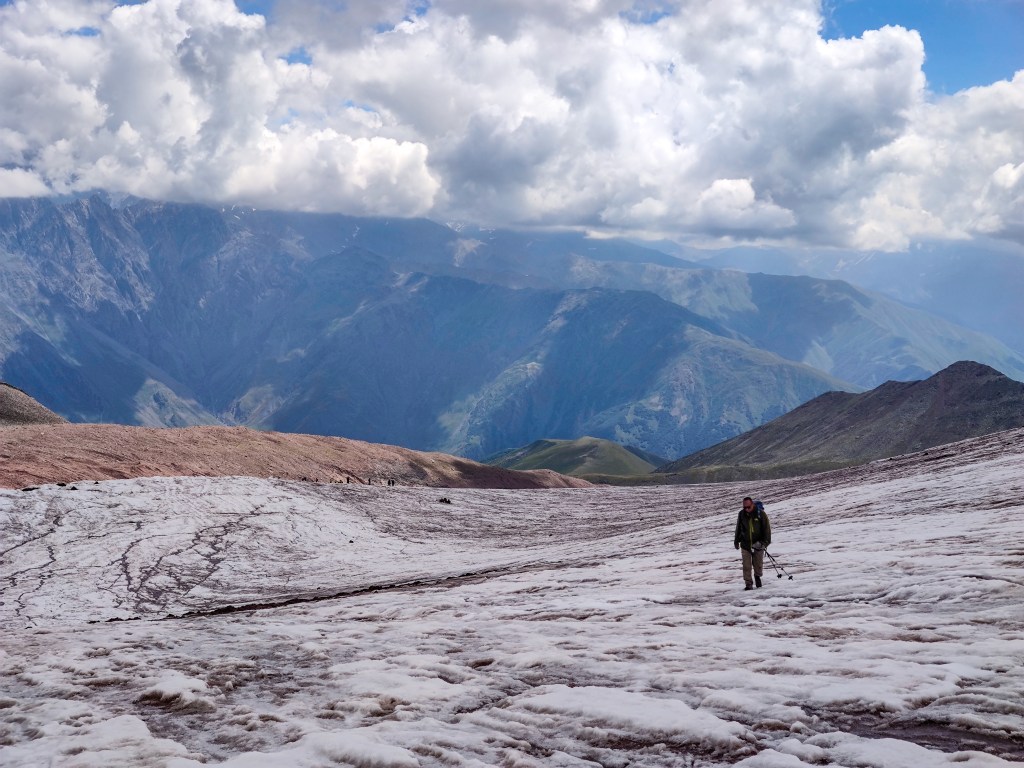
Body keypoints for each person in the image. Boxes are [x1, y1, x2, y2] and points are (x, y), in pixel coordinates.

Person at [734, 497, 771, 590]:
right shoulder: (741, 514)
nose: (746, 509)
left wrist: (764, 543)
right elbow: (738, 528)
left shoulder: (761, 514)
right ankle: (748, 584)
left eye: (748, 507)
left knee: (758, 564)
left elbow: (767, 530)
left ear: (752, 505)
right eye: (744, 507)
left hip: (758, 544)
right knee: (746, 566)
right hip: (745, 544)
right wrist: (736, 541)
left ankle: (757, 576)